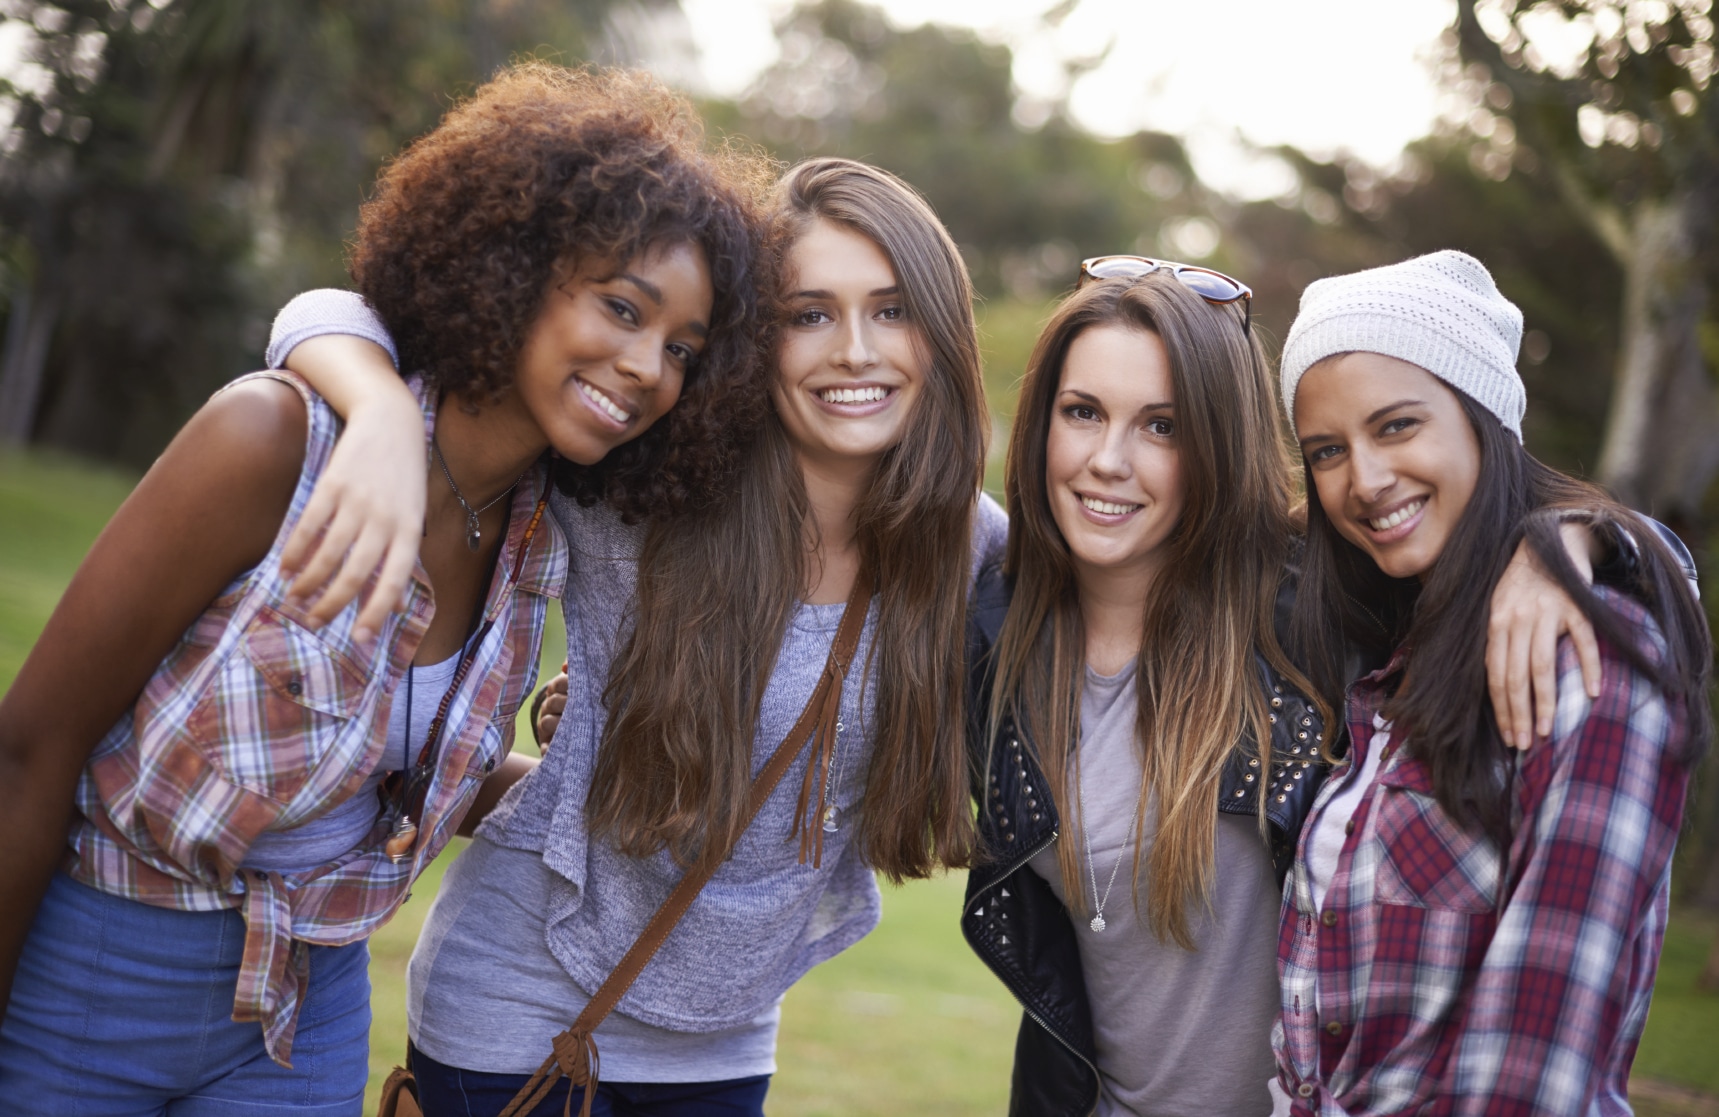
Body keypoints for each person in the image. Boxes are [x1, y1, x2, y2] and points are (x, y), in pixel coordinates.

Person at [0, 62, 767, 1115]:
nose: (647, 367)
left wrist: (606, 794)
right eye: (622, 308)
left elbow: (386, 761)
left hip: (304, 1000)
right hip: (104, 961)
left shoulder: (547, 527)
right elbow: (27, 750)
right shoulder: (276, 443)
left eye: (681, 348)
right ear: (515, 266)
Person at [264, 156, 1002, 1117]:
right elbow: (322, 313)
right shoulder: (645, 489)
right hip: (520, 1010)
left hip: (725, 1041)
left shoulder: (971, 547)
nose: (854, 350)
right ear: (756, 340)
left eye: (892, 309)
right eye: (808, 313)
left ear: (941, 333)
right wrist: (378, 410)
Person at [957, 255, 1686, 1117]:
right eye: (1082, 412)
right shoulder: (992, 626)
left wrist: (1584, 537)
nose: (1109, 458)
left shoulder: (1310, 611)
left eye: (1162, 424)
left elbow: (1537, 1041)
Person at [1275, 250, 1710, 1115]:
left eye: (1396, 425)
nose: (1363, 479)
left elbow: (1529, 1071)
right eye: (1327, 450)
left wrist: (1592, 542)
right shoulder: (1383, 655)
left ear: (1482, 416)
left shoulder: (1589, 650)